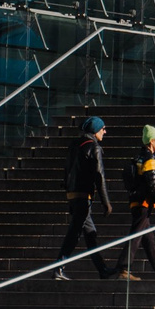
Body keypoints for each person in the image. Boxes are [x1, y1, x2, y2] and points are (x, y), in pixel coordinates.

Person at [55, 115, 115, 280]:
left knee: (90, 234)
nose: (105, 131)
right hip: (83, 196)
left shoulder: (75, 145)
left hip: (73, 194)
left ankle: (102, 269)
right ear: (95, 130)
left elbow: (66, 170)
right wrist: (106, 202)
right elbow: (99, 176)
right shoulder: (94, 147)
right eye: (103, 129)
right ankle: (58, 266)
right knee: (74, 233)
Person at [122, 123, 155, 280]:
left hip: (137, 201)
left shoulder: (138, 157)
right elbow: (153, 181)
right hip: (144, 203)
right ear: (152, 141)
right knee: (136, 236)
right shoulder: (149, 159)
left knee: (148, 237)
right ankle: (122, 268)